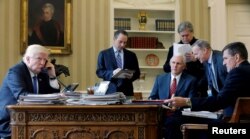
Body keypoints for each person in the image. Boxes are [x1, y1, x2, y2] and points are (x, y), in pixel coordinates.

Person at [164, 42, 250, 139]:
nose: (223, 63)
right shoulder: (246, 70)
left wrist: (186, 101)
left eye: (225, 58)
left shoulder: (237, 72)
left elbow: (220, 100)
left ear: (237, 57)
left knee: (175, 121)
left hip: (233, 126)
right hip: (237, 120)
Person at [0, 44, 60, 138]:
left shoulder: (42, 74)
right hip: (11, 123)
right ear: (28, 59)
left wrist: (52, 76)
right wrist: (47, 98)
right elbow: (22, 96)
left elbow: (54, 96)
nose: (43, 63)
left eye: (45, 60)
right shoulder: (16, 71)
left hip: (32, 120)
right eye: (39, 59)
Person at [163, 21, 206, 96]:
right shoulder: (173, 48)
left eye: (187, 35)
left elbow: (209, 65)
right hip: (179, 85)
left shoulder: (201, 45)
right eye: (182, 36)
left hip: (198, 84)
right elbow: (166, 68)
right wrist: (175, 63)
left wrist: (196, 60)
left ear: (192, 33)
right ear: (179, 35)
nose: (185, 38)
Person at [96, 30, 140, 96]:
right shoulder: (104, 54)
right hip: (109, 92)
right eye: (120, 42)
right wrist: (112, 73)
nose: (122, 45)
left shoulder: (131, 55)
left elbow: (137, 73)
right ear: (114, 39)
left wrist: (131, 75)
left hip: (127, 92)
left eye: (125, 43)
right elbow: (99, 72)